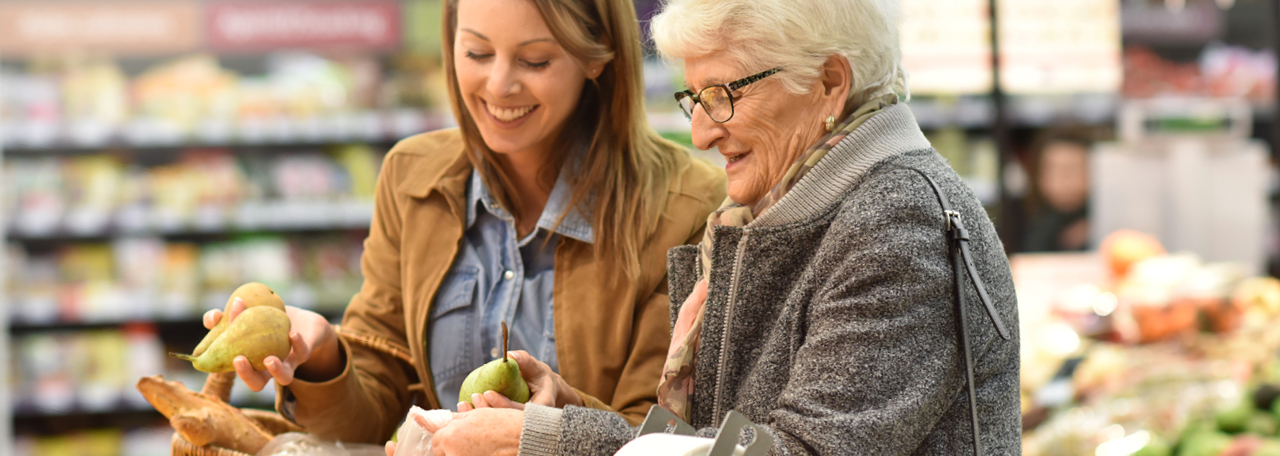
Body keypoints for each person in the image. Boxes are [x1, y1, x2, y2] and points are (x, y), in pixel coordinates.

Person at [410, 0, 1022, 454]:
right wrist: (573, 414)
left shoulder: (896, 222)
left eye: (725, 94)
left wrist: (552, 441)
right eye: (694, 99)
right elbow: (721, 443)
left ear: (830, 81)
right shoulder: (782, 213)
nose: (701, 133)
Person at [204, 0, 726, 444]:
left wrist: (554, 423)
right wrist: (322, 358)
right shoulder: (413, 177)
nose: (499, 85)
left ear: (597, 58)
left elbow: (660, 437)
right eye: (476, 52)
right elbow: (375, 413)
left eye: (535, 60)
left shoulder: (686, 207)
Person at [1022, 129, 1094, 252]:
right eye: (1055, 170)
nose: (1064, 181)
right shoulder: (1027, 223)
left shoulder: (1106, 222)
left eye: (1073, 170)